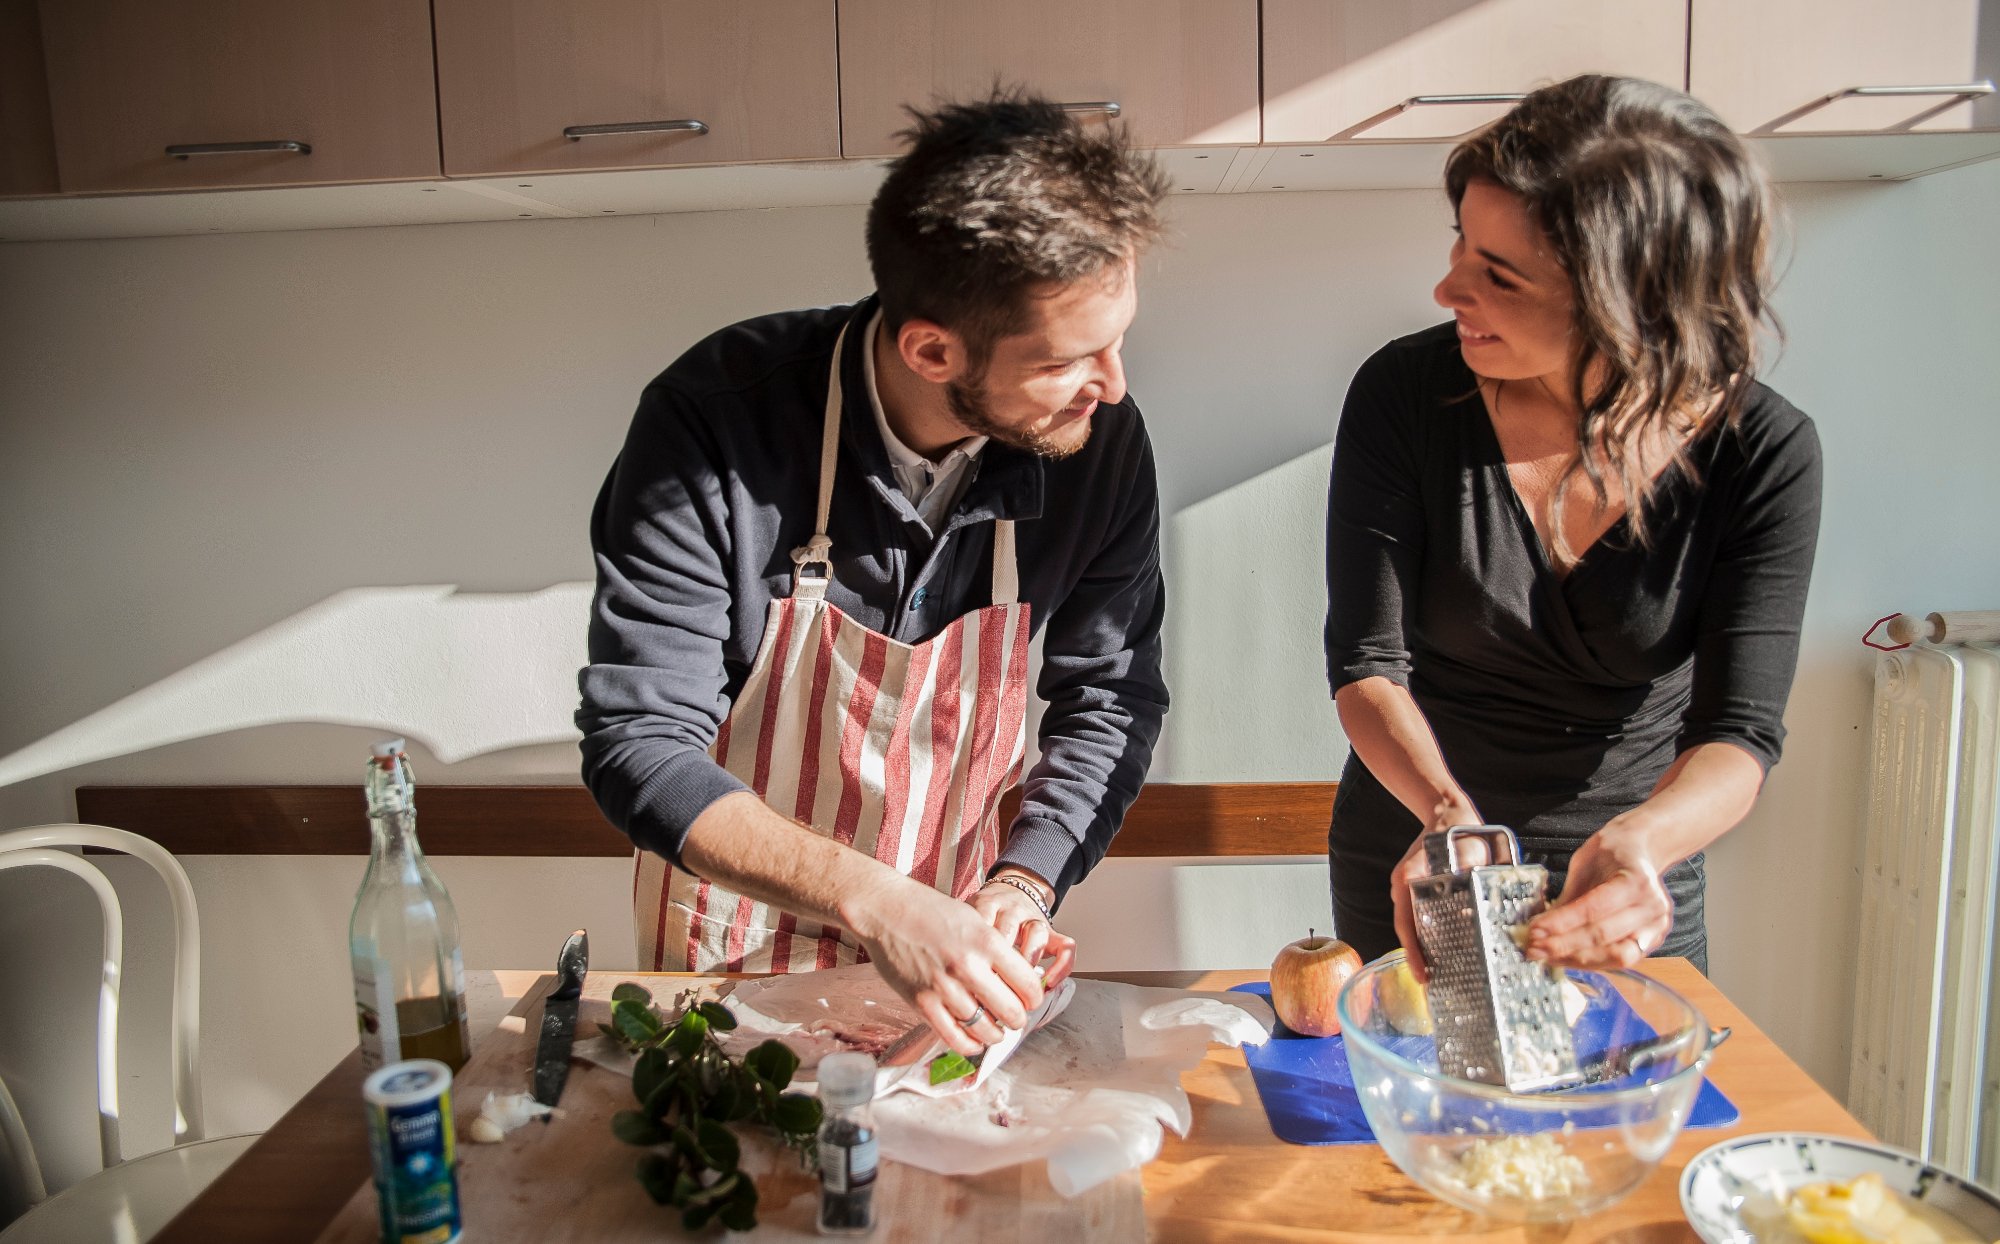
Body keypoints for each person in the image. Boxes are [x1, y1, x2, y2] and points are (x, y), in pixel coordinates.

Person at [577, 92, 1171, 1056]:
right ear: (932, 350)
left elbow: (1110, 697)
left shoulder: (1097, 446)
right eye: (1071, 358)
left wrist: (1022, 882)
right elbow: (639, 742)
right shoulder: (713, 423)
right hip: (727, 945)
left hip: (951, 957)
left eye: (1119, 338)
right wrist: (875, 900)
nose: (1114, 384)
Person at [1323, 75, 1823, 980]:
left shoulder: (1767, 453)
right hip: (1424, 863)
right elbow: (1366, 667)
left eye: (1498, 274)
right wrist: (1445, 818)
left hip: (1623, 890)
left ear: (1628, 301)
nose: (1447, 288)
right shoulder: (1403, 395)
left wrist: (1639, 845)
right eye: (1460, 248)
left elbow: (1739, 737)